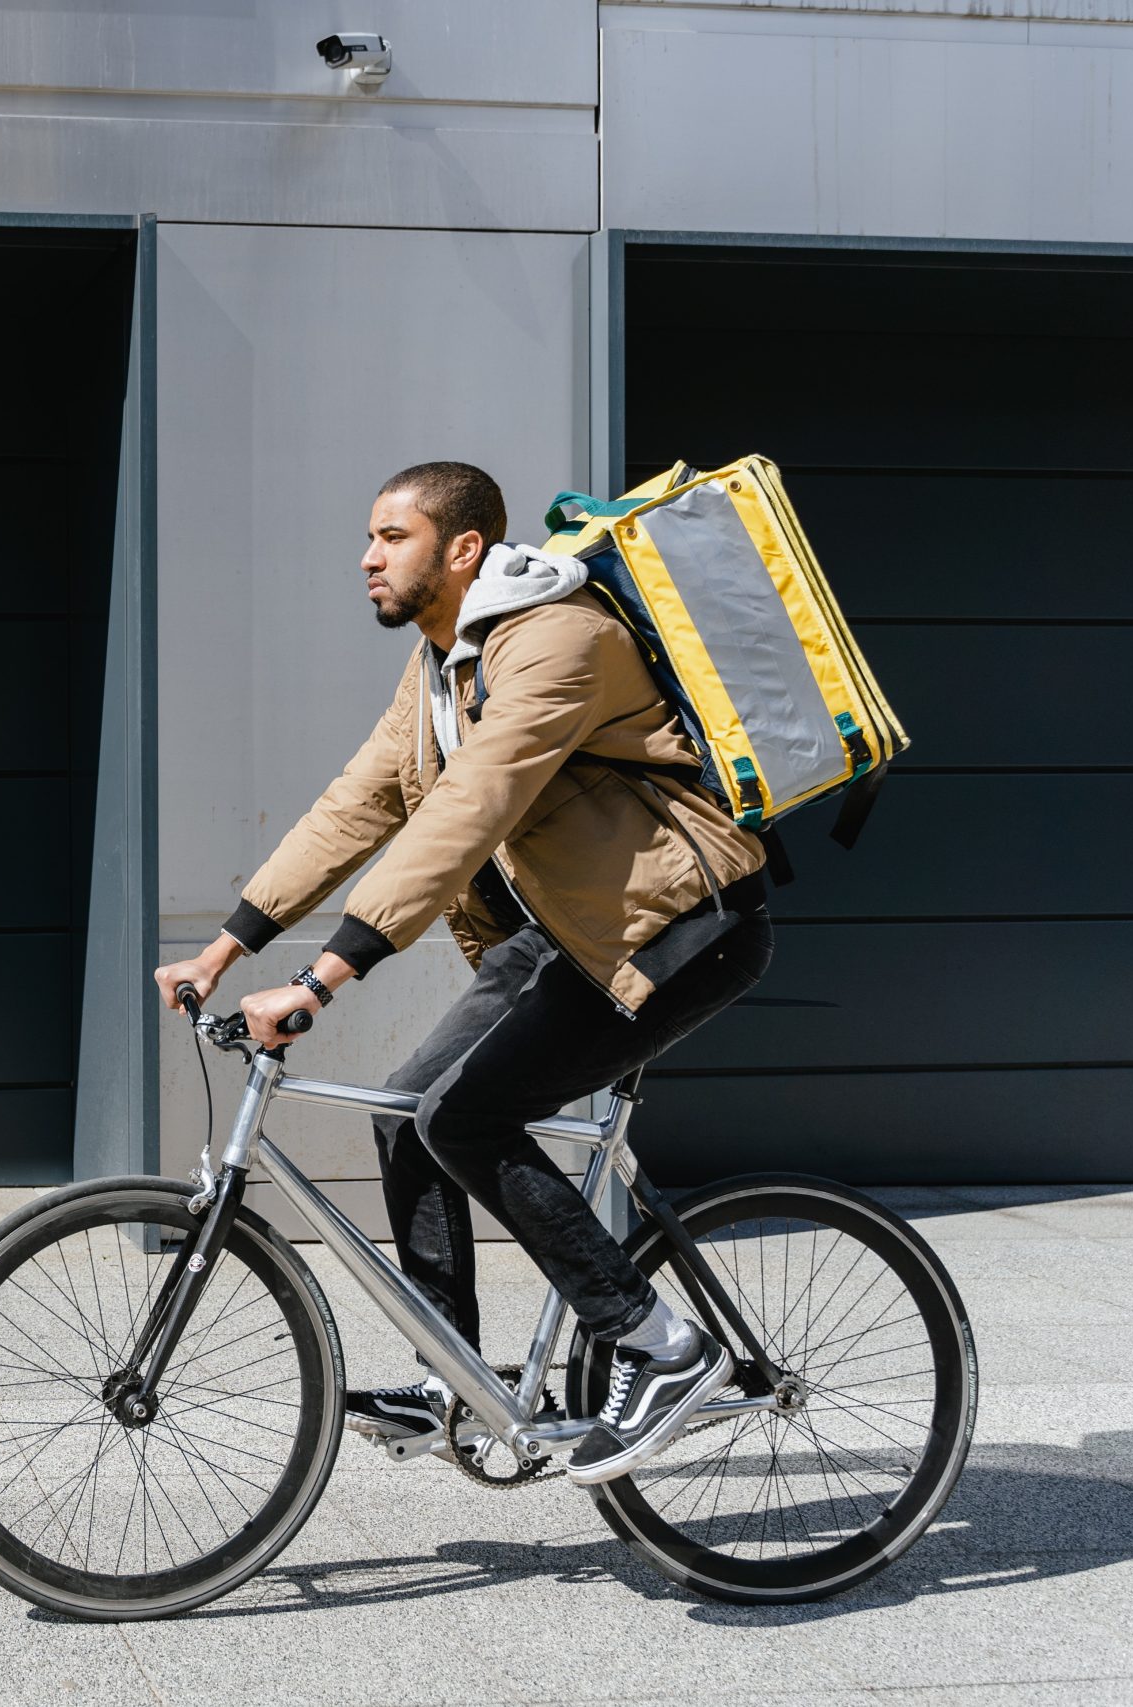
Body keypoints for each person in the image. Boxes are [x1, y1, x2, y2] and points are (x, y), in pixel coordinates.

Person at [151, 460, 774, 1486]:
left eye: (390, 536)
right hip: (574, 932)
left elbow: (466, 811)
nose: (365, 556)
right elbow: (361, 802)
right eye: (369, 536)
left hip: (677, 926)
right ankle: (454, 1373)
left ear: (464, 548)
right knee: (406, 1115)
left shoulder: (561, 640)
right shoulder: (445, 662)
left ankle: (659, 1343)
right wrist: (228, 946)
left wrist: (320, 983)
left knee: (466, 1118)